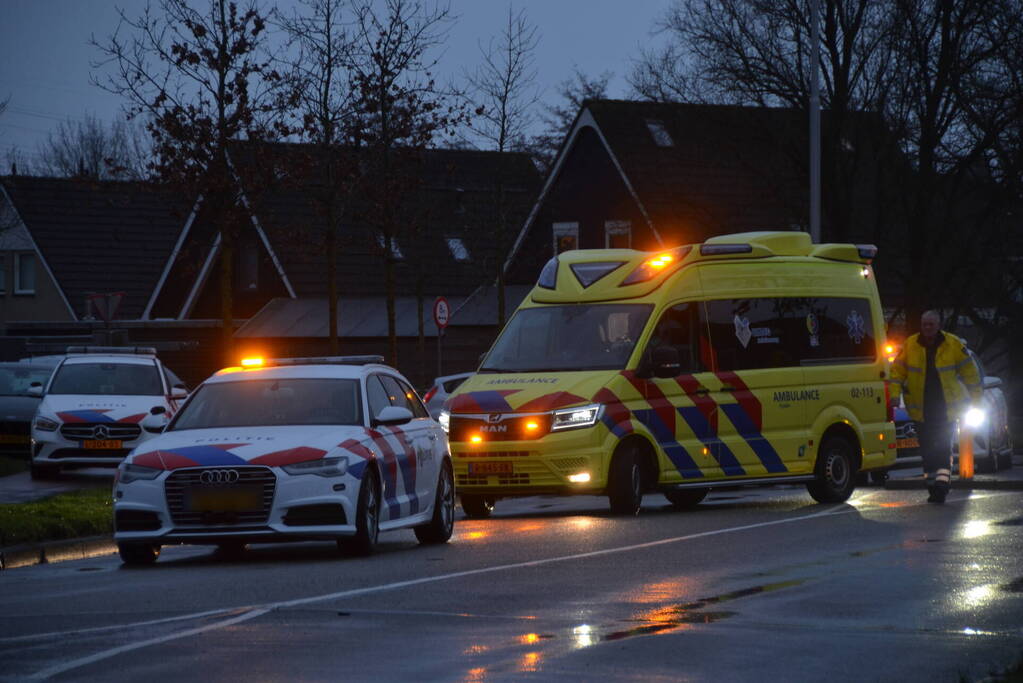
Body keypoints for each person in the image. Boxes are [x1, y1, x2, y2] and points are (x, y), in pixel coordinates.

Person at [890, 311, 982, 503]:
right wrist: (894, 395)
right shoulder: (911, 345)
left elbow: (970, 372)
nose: (927, 328)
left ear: (939, 325)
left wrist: (976, 398)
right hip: (921, 410)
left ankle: (942, 485)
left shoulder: (953, 344)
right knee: (927, 451)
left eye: (931, 324)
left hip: (945, 409)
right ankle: (932, 485)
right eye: (925, 324)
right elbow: (897, 372)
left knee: (943, 448)